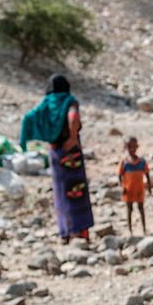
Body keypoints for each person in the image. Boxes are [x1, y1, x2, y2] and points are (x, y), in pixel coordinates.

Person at [20, 74, 94, 244]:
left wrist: (25, 142)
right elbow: (73, 117)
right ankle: (79, 232)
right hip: (71, 152)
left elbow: (28, 118)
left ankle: (65, 232)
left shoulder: (46, 104)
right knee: (76, 190)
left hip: (55, 152)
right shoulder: (69, 101)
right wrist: (73, 137)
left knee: (60, 192)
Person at [118, 136, 153, 235]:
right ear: (126, 147)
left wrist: (149, 187)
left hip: (139, 189)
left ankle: (144, 229)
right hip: (128, 190)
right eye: (130, 147)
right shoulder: (124, 162)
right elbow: (119, 175)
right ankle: (130, 230)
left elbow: (147, 175)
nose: (132, 149)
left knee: (141, 208)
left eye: (134, 146)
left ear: (137, 147)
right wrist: (122, 187)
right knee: (129, 209)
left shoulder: (142, 162)